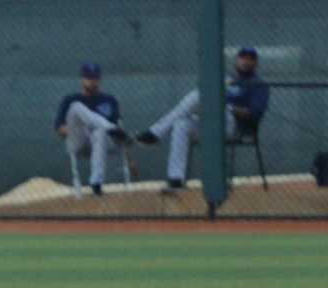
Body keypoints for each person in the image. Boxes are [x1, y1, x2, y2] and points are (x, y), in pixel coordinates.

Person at [136, 46, 269, 192]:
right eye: (243, 57)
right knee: (182, 124)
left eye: (251, 58)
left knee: (199, 95)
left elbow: (254, 113)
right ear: (237, 60)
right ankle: (176, 180)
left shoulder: (258, 84)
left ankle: (156, 132)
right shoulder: (225, 79)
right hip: (212, 120)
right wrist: (215, 105)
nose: (246, 61)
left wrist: (228, 107)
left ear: (256, 63)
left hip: (235, 127)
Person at [54, 61, 129, 196]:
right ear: (82, 79)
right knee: (76, 106)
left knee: (99, 132)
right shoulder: (70, 99)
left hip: (102, 142)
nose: (91, 81)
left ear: (99, 80)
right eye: (88, 78)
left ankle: (96, 184)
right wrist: (76, 128)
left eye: (94, 78)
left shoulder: (109, 100)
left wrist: (130, 160)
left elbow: (119, 135)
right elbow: (59, 128)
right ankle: (107, 126)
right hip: (79, 140)